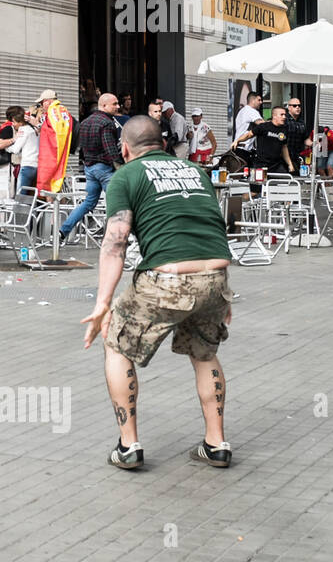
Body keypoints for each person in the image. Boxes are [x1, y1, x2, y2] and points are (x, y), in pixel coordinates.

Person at [82, 115, 234, 471]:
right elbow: (211, 226)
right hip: (215, 274)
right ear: (164, 145)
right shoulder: (195, 172)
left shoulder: (125, 176)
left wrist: (103, 304)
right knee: (205, 352)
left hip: (167, 279)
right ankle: (216, 443)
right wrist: (224, 292)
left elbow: (115, 242)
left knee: (116, 344)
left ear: (124, 148)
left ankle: (129, 444)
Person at [59, 92, 123, 240]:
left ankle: (64, 230)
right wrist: (120, 168)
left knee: (88, 203)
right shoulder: (107, 123)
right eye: (115, 104)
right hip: (105, 169)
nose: (118, 107)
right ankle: (118, 237)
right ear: (104, 105)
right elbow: (111, 149)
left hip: (90, 168)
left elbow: (79, 147)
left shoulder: (86, 122)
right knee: (118, 202)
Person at [230, 105, 294, 173]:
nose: (284, 117)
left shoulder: (284, 130)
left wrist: (290, 164)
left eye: (285, 115)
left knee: (285, 181)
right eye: (281, 115)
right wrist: (237, 140)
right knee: (258, 182)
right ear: (274, 116)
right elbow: (249, 134)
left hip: (276, 165)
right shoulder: (264, 127)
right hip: (261, 164)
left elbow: (284, 148)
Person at [35, 89, 74, 194]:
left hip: (52, 152)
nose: (41, 106)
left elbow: (52, 132)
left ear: (47, 101)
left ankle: (52, 208)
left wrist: (37, 124)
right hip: (61, 150)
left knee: (48, 183)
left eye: (42, 103)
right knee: (56, 182)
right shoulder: (63, 110)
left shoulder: (52, 111)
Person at [8, 106, 39, 195]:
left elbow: (16, 149)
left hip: (27, 166)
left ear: (20, 123)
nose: (13, 124)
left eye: (14, 122)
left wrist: (6, 148)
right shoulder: (34, 129)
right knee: (32, 196)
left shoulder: (23, 130)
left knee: (21, 195)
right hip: (37, 166)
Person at [282, 96, 312, 174]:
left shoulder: (301, 122)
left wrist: (314, 143)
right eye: (295, 106)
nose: (297, 107)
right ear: (289, 107)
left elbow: (305, 138)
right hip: (284, 155)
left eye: (299, 106)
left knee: (297, 176)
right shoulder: (285, 119)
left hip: (297, 155)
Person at [233, 92, 265, 157]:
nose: (261, 102)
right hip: (243, 149)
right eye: (259, 100)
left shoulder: (243, 110)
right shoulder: (251, 111)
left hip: (239, 148)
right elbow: (262, 124)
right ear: (253, 100)